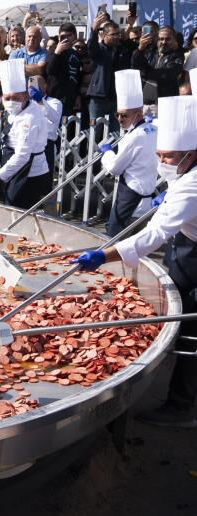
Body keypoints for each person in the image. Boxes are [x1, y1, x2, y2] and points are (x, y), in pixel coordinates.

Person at [71, 95, 197, 427]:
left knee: (191, 328)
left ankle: (181, 406)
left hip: (194, 252)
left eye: (167, 156)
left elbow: (152, 236)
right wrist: (166, 193)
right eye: (159, 155)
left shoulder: (192, 185)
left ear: (190, 155)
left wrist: (103, 256)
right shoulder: (186, 174)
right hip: (186, 242)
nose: (162, 162)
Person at [0, 59, 49, 209]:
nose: (11, 102)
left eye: (16, 98)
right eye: (7, 98)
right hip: (15, 166)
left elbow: (22, 156)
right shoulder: (16, 110)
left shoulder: (28, 119)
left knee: (19, 210)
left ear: (26, 96)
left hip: (29, 172)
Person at [102, 69, 157, 236]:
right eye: (117, 115)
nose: (119, 119)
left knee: (114, 242)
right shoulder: (154, 129)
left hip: (130, 199)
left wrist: (107, 153)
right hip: (147, 196)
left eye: (124, 116)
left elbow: (115, 169)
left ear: (138, 114)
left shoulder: (133, 137)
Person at [28, 75, 62, 173]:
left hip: (46, 145)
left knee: (44, 181)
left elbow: (54, 118)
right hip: (28, 143)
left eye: (36, 85)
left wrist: (40, 100)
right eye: (30, 86)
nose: (33, 88)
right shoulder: (27, 103)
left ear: (45, 86)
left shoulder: (54, 102)